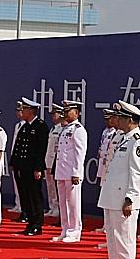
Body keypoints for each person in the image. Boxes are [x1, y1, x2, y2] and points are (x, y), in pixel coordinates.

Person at [97, 101, 140, 259]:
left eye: (120, 117)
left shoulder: (138, 142)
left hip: (123, 200)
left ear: (129, 120)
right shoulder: (123, 138)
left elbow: (137, 173)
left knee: (125, 241)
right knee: (113, 240)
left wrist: (130, 199)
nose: (116, 120)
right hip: (112, 197)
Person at [8, 99, 48, 236]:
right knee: (25, 196)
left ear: (31, 111)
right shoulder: (24, 127)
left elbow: (41, 150)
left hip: (33, 169)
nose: (22, 112)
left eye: (24, 109)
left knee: (34, 196)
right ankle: (30, 222)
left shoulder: (40, 126)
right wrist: (14, 163)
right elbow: (18, 147)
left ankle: (37, 225)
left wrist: (38, 168)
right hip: (22, 168)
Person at [54, 101, 88, 243]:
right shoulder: (65, 128)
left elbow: (80, 153)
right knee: (63, 202)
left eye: (70, 110)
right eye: (66, 110)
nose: (66, 113)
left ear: (77, 113)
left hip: (71, 172)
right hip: (61, 170)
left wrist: (76, 172)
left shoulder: (78, 129)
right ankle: (65, 229)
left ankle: (75, 231)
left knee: (73, 202)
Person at [43, 107, 66, 235]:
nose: (53, 117)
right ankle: (52, 207)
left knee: (57, 188)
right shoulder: (53, 129)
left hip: (56, 162)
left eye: (55, 114)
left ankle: (57, 208)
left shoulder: (62, 129)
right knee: (50, 186)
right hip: (49, 160)